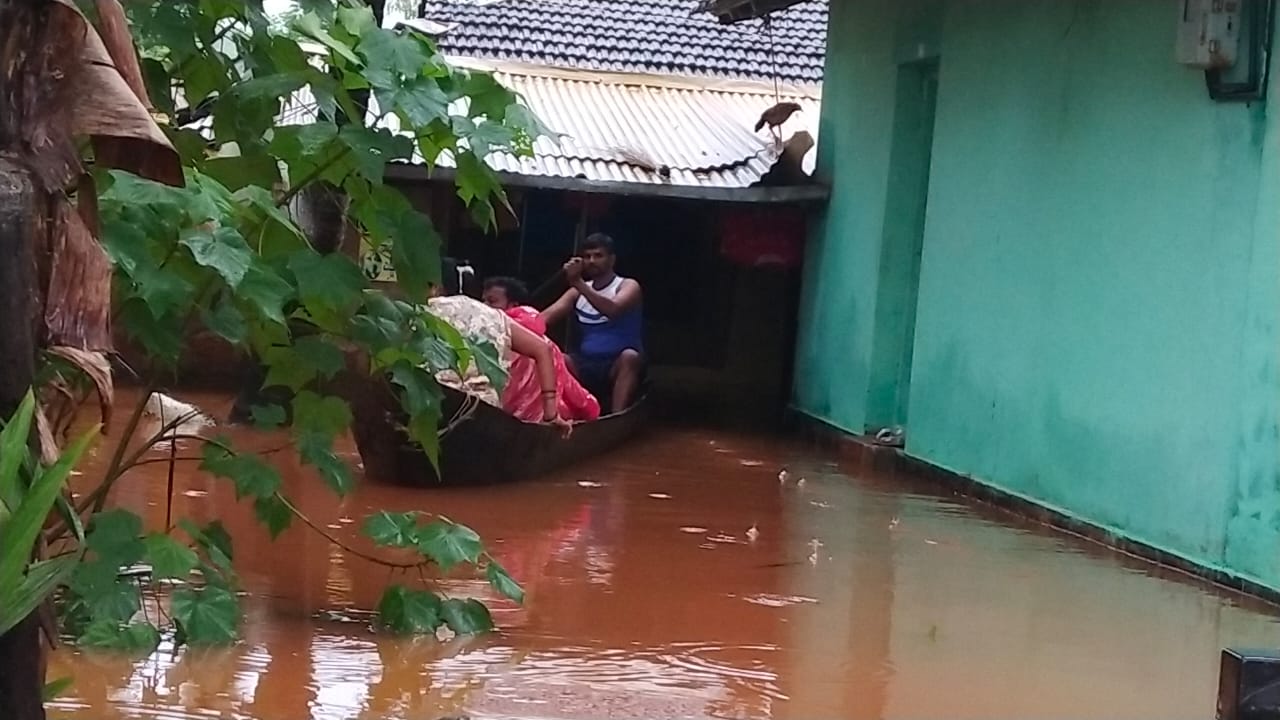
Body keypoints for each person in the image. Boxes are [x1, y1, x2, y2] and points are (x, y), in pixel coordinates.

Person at [427, 260, 572, 436]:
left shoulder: (420, 313)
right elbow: (542, 350)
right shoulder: (493, 316)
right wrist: (551, 414)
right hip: (488, 419)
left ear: (434, 286)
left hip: (433, 414)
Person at [540, 233, 644, 413]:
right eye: (587, 256)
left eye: (598, 256)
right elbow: (545, 318)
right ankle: (567, 413)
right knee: (559, 358)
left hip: (617, 364)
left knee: (630, 357)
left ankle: (616, 416)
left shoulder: (627, 285)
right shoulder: (576, 291)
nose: (592, 261)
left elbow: (612, 309)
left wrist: (578, 283)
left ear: (612, 260)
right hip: (585, 363)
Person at [483, 276, 601, 423]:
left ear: (513, 305)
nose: (485, 306)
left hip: (499, 416)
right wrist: (591, 410)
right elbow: (575, 393)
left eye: (492, 302)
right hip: (535, 419)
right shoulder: (544, 343)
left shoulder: (483, 337)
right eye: (484, 301)